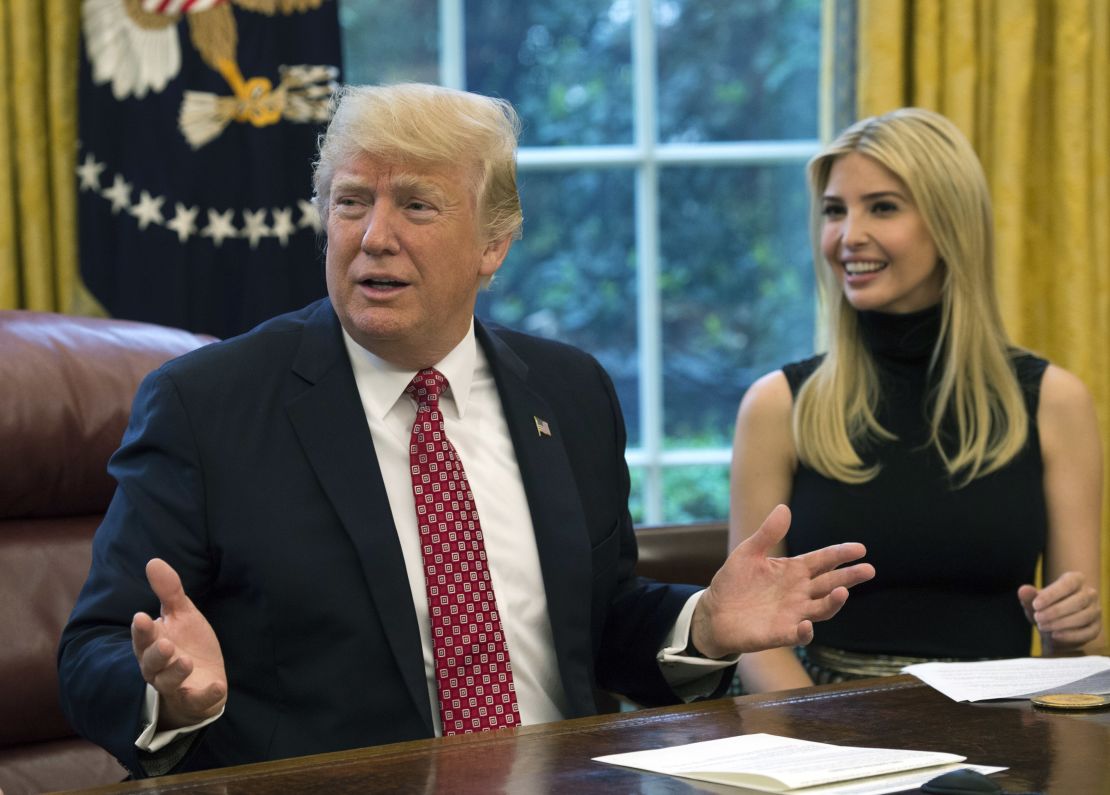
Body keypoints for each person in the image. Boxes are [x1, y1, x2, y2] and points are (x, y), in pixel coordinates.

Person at [57, 83, 874, 778]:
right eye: (351, 202)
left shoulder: (569, 390)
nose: (374, 236)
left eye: (416, 204)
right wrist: (163, 691)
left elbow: (601, 624)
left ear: (495, 244)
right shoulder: (208, 405)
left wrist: (701, 625)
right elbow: (95, 646)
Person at [729, 107, 1103, 693]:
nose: (848, 236)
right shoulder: (777, 405)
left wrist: (1073, 628)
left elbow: (1074, 651)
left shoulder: (1055, 401)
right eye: (834, 211)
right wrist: (820, 748)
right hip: (824, 728)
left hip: (1002, 724)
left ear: (951, 222)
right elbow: (754, 639)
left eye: (882, 207)